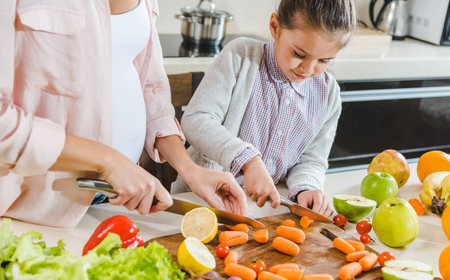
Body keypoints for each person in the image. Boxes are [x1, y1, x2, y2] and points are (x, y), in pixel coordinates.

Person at [0, 0, 247, 228]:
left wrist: (190, 170)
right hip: (34, 211)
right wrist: (108, 160)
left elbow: (150, 89)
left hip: (114, 202)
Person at [171, 0, 357, 217]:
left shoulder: (328, 94)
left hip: (264, 212)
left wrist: (307, 187)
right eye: (299, 53)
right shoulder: (241, 56)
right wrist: (247, 160)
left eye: (324, 60)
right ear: (275, 27)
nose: (308, 69)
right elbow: (197, 119)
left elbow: (311, 159)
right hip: (201, 203)